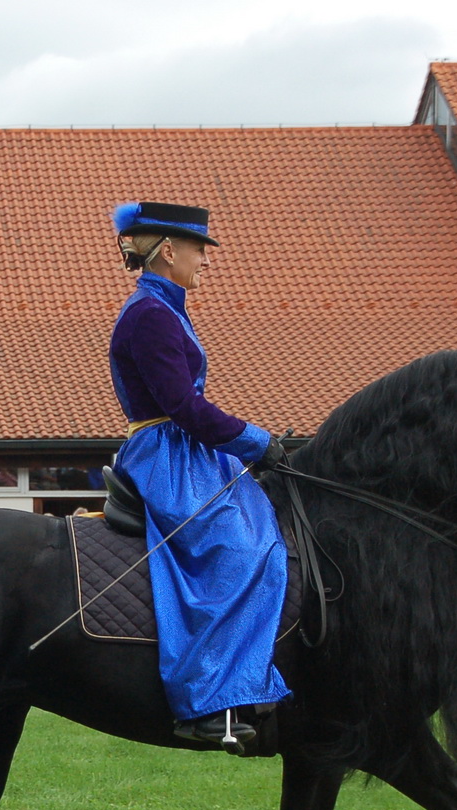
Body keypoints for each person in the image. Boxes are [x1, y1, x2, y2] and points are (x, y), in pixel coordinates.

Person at [107, 201, 286, 751]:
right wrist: (258, 440)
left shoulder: (167, 308)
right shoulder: (150, 314)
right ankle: (205, 703)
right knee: (236, 549)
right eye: (199, 249)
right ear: (168, 250)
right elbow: (182, 406)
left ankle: (248, 680)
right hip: (167, 451)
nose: (205, 259)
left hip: (188, 449)